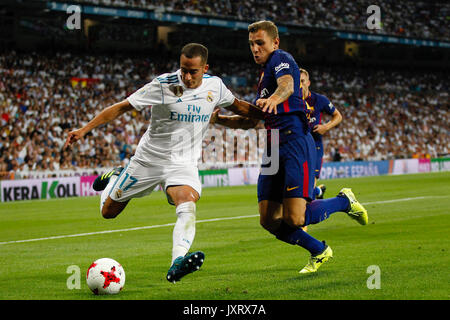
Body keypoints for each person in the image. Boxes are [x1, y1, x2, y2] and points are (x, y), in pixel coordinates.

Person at [64, 43, 265, 283]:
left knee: (187, 202)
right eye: (183, 70)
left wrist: (270, 114)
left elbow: (241, 107)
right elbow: (122, 107)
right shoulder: (162, 85)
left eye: (193, 72)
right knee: (108, 212)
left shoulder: (216, 86)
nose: (187, 77)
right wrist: (86, 129)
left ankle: (177, 262)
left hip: (183, 163)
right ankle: (116, 177)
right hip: (149, 159)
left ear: (205, 68)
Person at [211, 21, 368, 274]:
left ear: (275, 42)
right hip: (273, 147)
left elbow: (287, 86)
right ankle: (319, 249)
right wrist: (219, 120)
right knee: (269, 219)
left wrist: (273, 99)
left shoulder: (281, 59)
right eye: (251, 44)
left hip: (295, 141)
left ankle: (343, 201)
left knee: (295, 218)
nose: (255, 48)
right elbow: (250, 121)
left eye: (259, 42)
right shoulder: (263, 78)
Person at [300, 68, 343, 200]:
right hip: (298, 146)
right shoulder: (291, 102)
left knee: (306, 194)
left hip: (315, 146)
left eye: (302, 81)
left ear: (308, 83)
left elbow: (338, 116)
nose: (300, 85)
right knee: (299, 189)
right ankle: (318, 191)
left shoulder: (319, 100)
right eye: (297, 82)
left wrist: (326, 127)